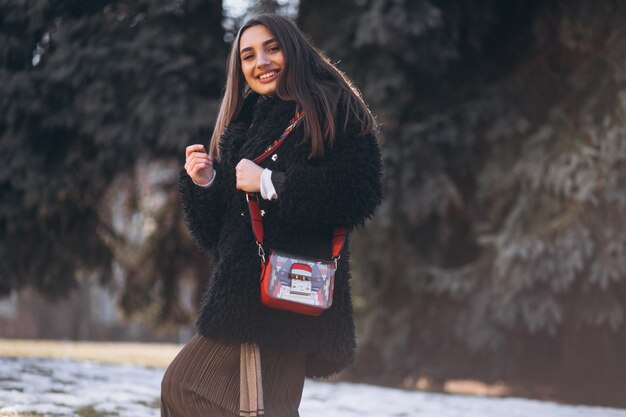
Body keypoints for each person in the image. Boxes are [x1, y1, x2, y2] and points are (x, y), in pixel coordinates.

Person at [161, 13, 383, 417]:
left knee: (185, 387)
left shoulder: (333, 105)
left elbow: (359, 194)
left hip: (289, 289)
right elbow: (216, 235)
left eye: (271, 48)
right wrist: (207, 182)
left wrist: (272, 182)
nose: (259, 62)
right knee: (264, 408)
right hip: (247, 291)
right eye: (247, 56)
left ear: (293, 49)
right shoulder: (244, 121)